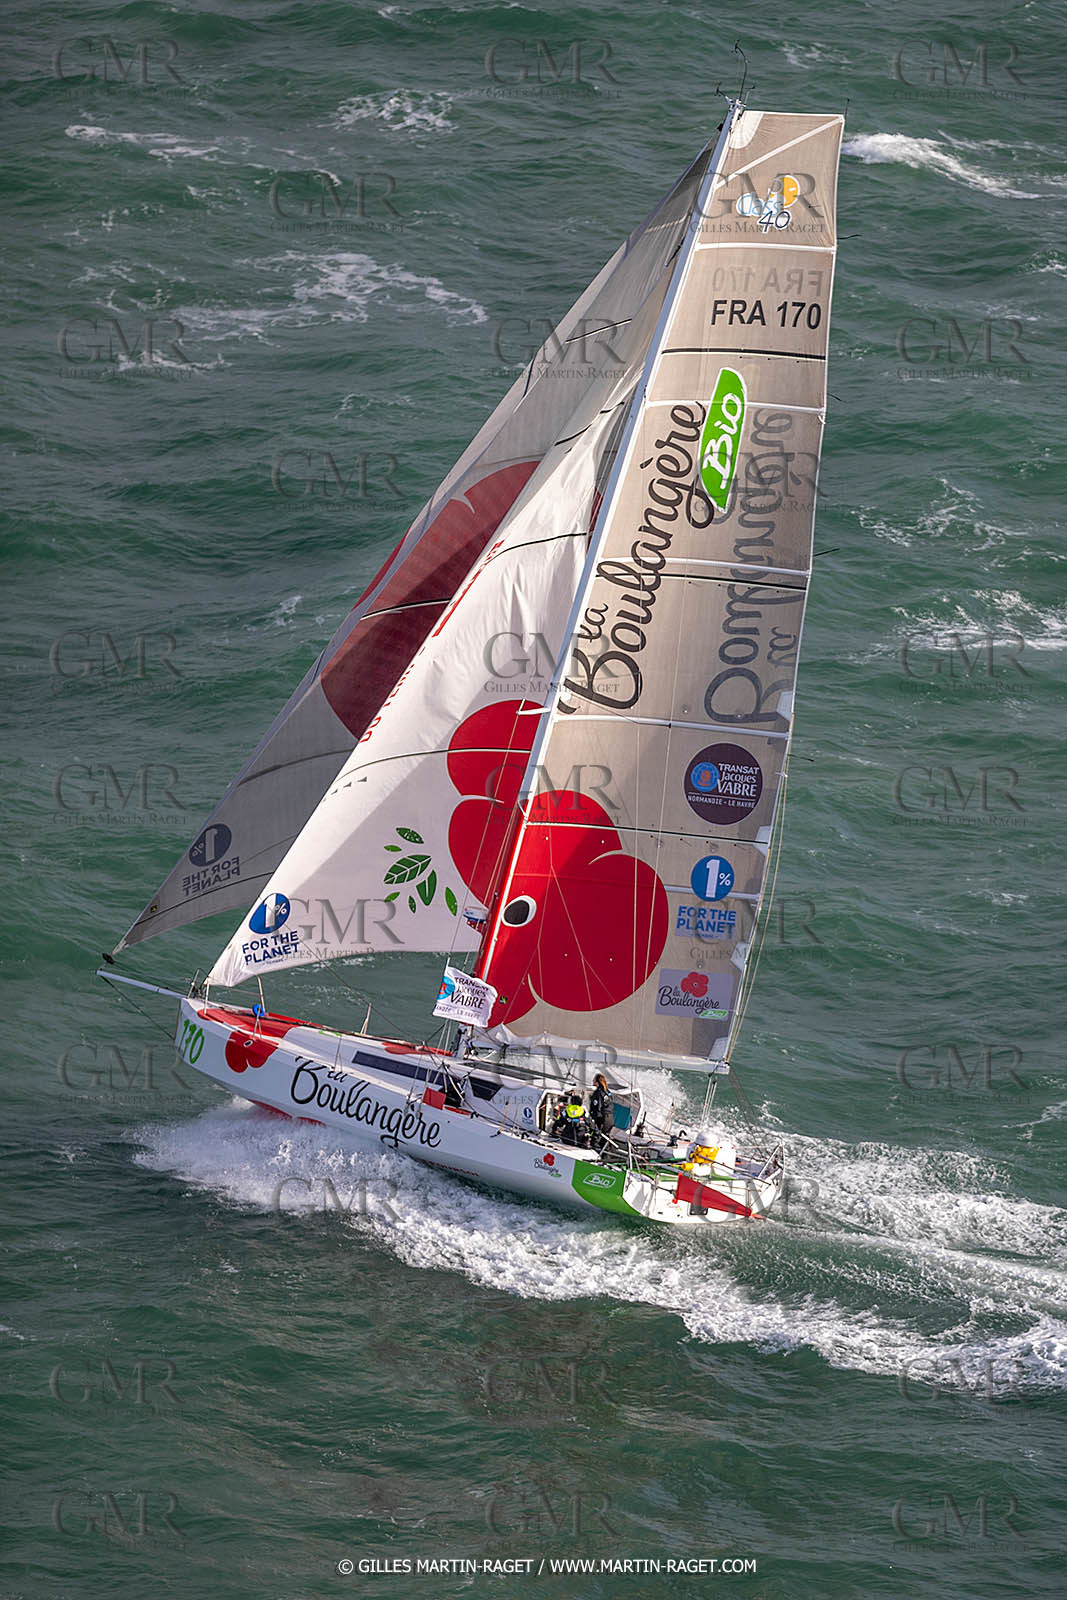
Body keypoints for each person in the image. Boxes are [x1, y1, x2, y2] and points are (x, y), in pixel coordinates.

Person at [589, 1073, 615, 1141]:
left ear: (597, 1082)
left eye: (593, 1080)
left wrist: (592, 1120)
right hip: (610, 1118)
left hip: (603, 1118)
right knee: (605, 1137)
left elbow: (597, 1108)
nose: (592, 1081)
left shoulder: (598, 1093)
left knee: (598, 1136)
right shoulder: (608, 1092)